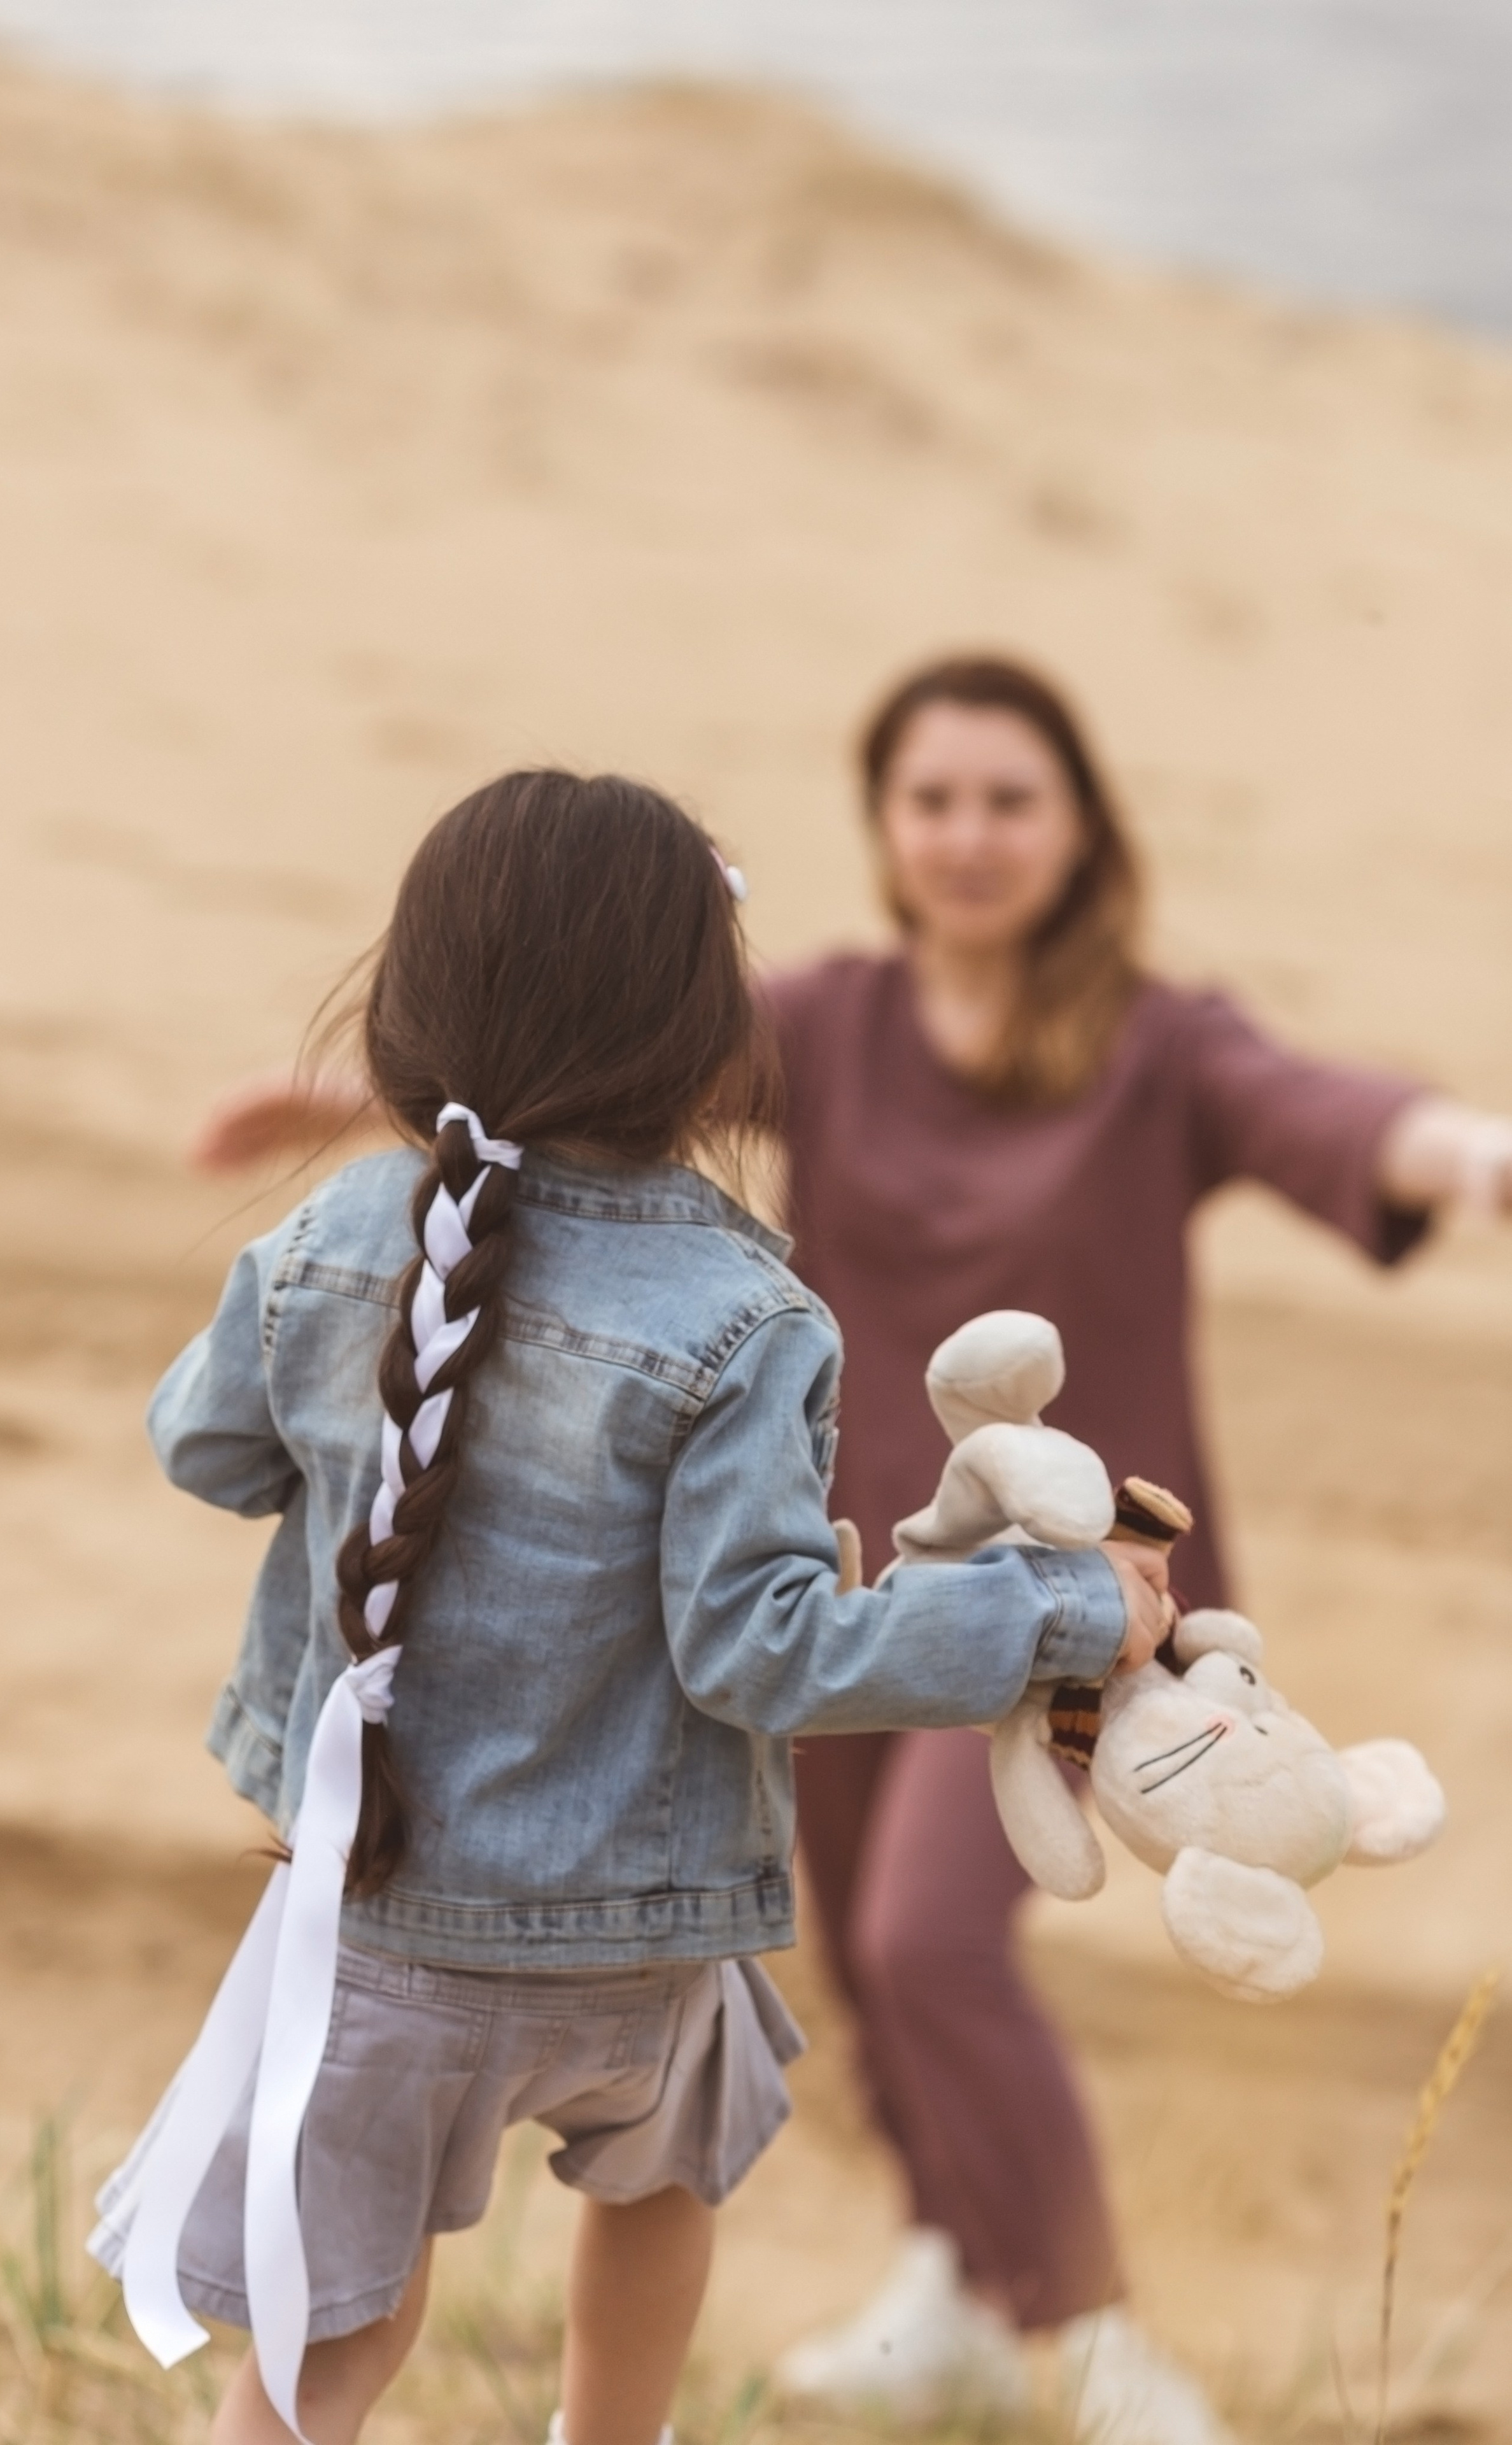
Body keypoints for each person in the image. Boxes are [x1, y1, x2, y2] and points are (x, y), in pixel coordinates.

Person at [190, 675, 1512, 2445]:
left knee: (927, 1945)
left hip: (1035, 1610)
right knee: (852, 1970)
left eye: (1009, 798)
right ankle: (956, 2270)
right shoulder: (827, 1020)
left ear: (1081, 830)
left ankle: (1095, 2331)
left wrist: (1484, 1154)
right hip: (786, 1570)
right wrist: (327, 1100)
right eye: (933, 797)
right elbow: (553, 1072)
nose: (968, 834)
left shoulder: (1160, 1045)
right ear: (885, 828)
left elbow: (1339, 1118)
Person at [91, 768, 1168, 2445]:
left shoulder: (337, 1240)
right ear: (700, 1034)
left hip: (370, 1923)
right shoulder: (746, 1314)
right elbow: (768, 1648)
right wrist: (1057, 1608)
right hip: (639, 1951)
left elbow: (203, 1448)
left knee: (337, 2338)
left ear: (414, 1002)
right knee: (662, 2190)